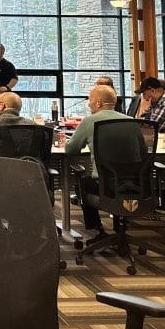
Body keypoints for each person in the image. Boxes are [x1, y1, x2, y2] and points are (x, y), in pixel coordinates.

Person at [65, 84, 132, 243]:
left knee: (82, 183)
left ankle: (97, 229)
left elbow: (71, 150)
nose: (88, 104)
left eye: (90, 100)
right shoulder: (132, 122)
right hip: (135, 185)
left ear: (99, 103)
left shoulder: (90, 121)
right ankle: (120, 227)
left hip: (104, 185)